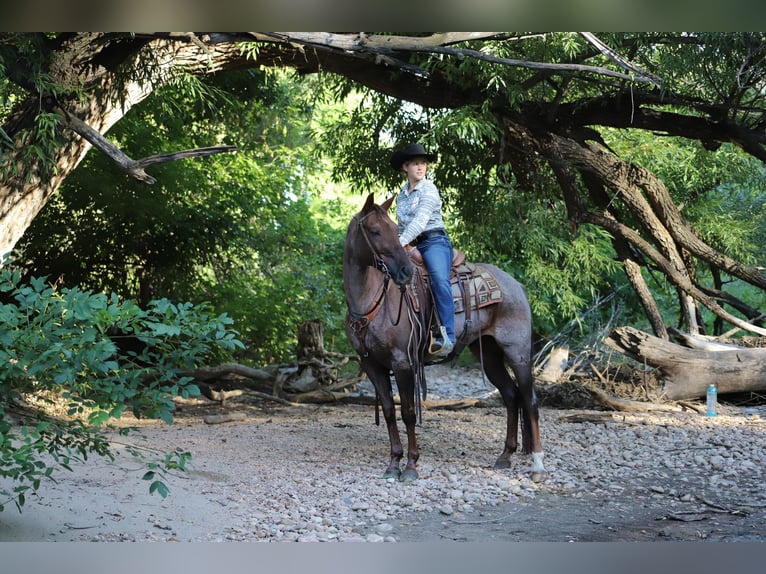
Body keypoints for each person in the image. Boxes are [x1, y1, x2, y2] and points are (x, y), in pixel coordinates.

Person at [389, 143, 456, 357]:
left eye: (423, 164)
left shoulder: (429, 189)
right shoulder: (401, 194)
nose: (420, 167)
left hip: (434, 241)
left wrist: (399, 243)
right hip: (410, 243)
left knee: (438, 279)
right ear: (405, 167)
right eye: (416, 164)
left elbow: (420, 221)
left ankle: (448, 336)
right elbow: (401, 225)